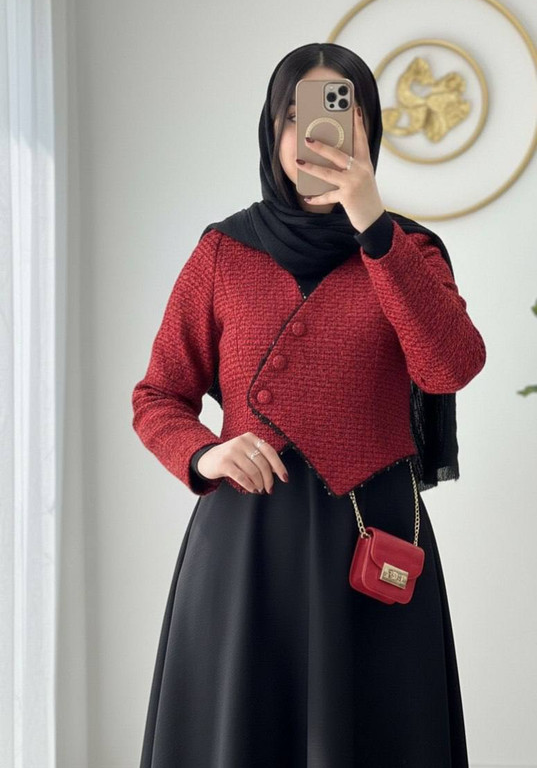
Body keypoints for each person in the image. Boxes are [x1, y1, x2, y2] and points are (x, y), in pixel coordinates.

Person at [131, 41, 486, 767]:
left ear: (368, 128)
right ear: (273, 129)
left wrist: (374, 227)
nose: (314, 132)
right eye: (295, 114)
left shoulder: (410, 249)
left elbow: (449, 365)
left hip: (372, 542)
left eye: (338, 111)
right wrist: (205, 453)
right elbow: (157, 394)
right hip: (246, 549)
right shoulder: (222, 252)